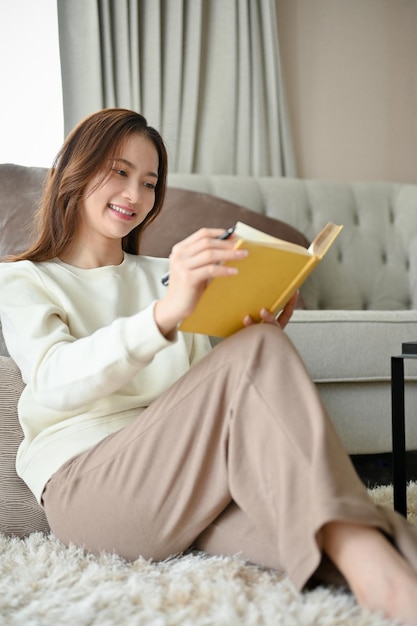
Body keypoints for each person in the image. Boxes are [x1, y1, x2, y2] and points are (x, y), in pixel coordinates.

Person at [0, 108, 417, 625]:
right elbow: (54, 379)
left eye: (150, 182)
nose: (135, 194)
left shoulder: (166, 273)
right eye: (120, 171)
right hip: (91, 492)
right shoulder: (24, 281)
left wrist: (249, 336)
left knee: (317, 525)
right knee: (260, 364)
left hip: (185, 484)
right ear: (75, 169)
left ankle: (397, 587)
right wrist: (166, 316)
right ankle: (390, 584)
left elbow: (201, 390)